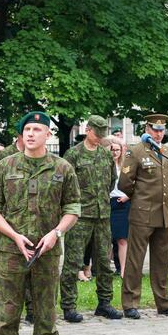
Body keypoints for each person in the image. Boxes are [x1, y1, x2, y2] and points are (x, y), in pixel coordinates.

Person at [0, 111, 80, 335]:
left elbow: (73, 208)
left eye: (37, 129)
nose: (31, 134)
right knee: (8, 313)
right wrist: (14, 235)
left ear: (47, 135)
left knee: (46, 313)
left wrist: (56, 234)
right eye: (27, 129)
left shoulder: (62, 168)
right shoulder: (5, 165)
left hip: (47, 252)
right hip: (11, 252)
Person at [118, 113, 168, 319]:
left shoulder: (167, 151)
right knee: (135, 260)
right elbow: (124, 183)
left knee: (161, 260)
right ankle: (130, 303)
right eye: (155, 129)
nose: (158, 133)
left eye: (161, 130)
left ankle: (163, 302)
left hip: (164, 214)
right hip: (142, 213)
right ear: (147, 129)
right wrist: (139, 197)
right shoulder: (136, 151)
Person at [60, 115, 120, 322]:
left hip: (102, 215)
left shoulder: (105, 155)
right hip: (80, 216)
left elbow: (111, 182)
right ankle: (68, 306)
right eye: (98, 133)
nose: (101, 137)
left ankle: (104, 303)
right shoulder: (73, 155)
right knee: (73, 262)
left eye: (103, 134)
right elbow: (65, 185)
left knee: (104, 262)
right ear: (88, 130)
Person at [0, 117, 33, 323]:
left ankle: (33, 309)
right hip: (8, 223)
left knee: (34, 267)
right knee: (2, 269)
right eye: (27, 131)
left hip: (33, 222)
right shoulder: (5, 157)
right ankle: (0, 310)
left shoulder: (39, 157)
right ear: (19, 135)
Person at [109, 136, 130, 278]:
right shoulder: (105, 165)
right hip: (108, 202)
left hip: (123, 202)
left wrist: (128, 196)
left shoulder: (126, 166)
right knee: (107, 238)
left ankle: (124, 270)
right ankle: (103, 270)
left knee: (122, 239)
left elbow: (137, 183)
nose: (115, 152)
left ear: (122, 151)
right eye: (112, 150)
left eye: (117, 150)